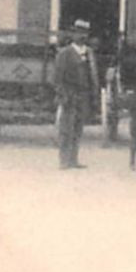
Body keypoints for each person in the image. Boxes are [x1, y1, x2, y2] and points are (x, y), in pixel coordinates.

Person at [52, 19, 99, 169]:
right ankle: (64, 161)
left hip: (83, 95)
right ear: (72, 34)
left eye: (84, 33)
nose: (81, 36)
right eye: (78, 32)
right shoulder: (64, 53)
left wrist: (93, 96)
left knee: (78, 128)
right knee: (66, 129)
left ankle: (73, 159)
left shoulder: (89, 53)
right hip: (69, 94)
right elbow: (57, 78)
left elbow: (93, 76)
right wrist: (62, 95)